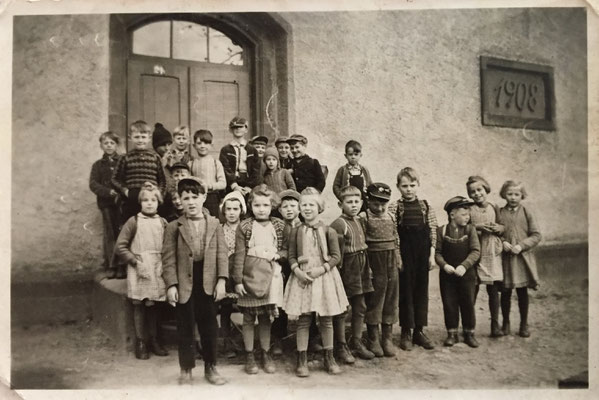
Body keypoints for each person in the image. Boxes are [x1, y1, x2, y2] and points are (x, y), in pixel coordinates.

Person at [162, 176, 228, 385]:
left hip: (207, 281)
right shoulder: (174, 226)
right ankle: (186, 368)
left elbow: (222, 254)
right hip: (184, 282)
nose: (190, 202)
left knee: (209, 326)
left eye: (194, 197)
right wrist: (171, 284)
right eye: (185, 197)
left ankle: (211, 367)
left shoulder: (215, 223)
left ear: (204, 197)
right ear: (179, 200)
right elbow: (168, 258)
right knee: (186, 326)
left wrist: (221, 280)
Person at [283, 187, 348, 377]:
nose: (307, 208)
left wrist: (322, 269)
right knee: (303, 319)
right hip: (303, 278)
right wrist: (297, 271)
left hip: (323, 277)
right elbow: (292, 255)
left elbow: (336, 256)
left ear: (319, 208)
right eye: (304, 205)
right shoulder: (296, 231)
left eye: (311, 205)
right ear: (299, 209)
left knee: (326, 319)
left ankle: (329, 357)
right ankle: (301, 359)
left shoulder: (328, 230)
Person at [232, 184, 287, 375]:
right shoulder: (245, 226)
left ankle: (265, 353)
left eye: (265, 205)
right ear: (251, 206)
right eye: (257, 205)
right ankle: (249, 355)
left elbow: (287, 249)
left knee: (265, 317)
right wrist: (238, 280)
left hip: (271, 275)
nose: (261, 209)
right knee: (248, 317)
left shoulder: (279, 225)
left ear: (272, 205)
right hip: (250, 275)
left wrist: (278, 255)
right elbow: (239, 254)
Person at [114, 183, 169, 359]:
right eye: (145, 200)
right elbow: (120, 247)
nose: (149, 203)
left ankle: (154, 340)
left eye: (153, 200)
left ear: (159, 202)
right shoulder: (134, 221)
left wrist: (164, 263)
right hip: (138, 266)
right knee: (139, 304)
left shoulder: (162, 222)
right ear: (140, 202)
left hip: (156, 267)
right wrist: (135, 262)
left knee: (153, 304)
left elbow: (168, 247)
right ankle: (140, 341)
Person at [388, 167, 437, 351]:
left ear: (418, 185)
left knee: (421, 292)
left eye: (412, 185)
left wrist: (431, 256)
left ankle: (419, 331)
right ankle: (406, 332)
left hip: (423, 254)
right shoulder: (395, 207)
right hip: (405, 255)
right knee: (406, 292)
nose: (409, 189)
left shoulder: (426, 205)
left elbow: (432, 230)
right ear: (398, 187)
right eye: (404, 186)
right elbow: (394, 234)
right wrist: (398, 256)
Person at [330, 186, 374, 361]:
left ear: (362, 203)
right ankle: (340, 345)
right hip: (347, 267)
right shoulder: (339, 224)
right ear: (341, 204)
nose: (353, 205)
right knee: (343, 307)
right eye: (349, 202)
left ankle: (357, 342)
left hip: (362, 265)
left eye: (357, 202)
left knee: (361, 305)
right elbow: (335, 251)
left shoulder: (359, 221)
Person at [435, 196, 481, 348]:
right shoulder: (442, 231)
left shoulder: (470, 230)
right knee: (449, 303)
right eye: (464, 214)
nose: (467, 218)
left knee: (468, 303)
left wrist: (464, 266)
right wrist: (444, 265)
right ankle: (452, 333)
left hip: (467, 275)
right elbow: (438, 253)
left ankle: (469, 333)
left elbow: (475, 251)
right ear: (452, 215)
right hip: (448, 276)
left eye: (468, 215)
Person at [499, 180, 541, 338]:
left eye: (517, 194)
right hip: (506, 260)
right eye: (510, 194)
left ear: (522, 195)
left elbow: (536, 235)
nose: (513, 197)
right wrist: (502, 242)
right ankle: (506, 323)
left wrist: (522, 245)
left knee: (522, 292)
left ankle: (524, 324)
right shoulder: (500, 212)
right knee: (505, 292)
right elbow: (497, 233)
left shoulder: (527, 212)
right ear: (504, 195)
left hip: (522, 260)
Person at [362, 183, 401, 357]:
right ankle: (373, 338)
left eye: (383, 203)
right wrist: (367, 267)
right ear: (368, 200)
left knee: (391, 298)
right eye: (376, 203)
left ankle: (387, 338)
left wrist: (398, 258)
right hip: (374, 259)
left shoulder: (391, 216)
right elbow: (362, 245)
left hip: (391, 258)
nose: (380, 207)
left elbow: (396, 239)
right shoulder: (364, 217)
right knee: (375, 299)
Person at [466, 175, 505, 337]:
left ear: (486, 189)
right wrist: (479, 226)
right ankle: (469, 327)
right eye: (473, 191)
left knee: (493, 290)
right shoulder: (468, 209)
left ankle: (495, 325)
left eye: (479, 189)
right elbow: (465, 226)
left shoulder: (494, 207)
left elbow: (503, 227)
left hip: (491, 252)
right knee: (472, 290)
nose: (477, 194)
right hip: (475, 251)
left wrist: (498, 228)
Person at [112, 120, 167, 223]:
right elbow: (115, 179)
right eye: (137, 137)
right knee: (132, 226)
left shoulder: (155, 157)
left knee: (150, 225)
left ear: (149, 138)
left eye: (143, 137)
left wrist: (159, 194)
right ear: (130, 138)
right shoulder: (125, 157)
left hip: (151, 198)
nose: (140, 140)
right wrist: (125, 191)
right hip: (132, 198)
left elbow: (163, 180)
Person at [271, 189, 301, 356]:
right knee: (280, 301)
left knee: (305, 301)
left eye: (293, 206)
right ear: (280, 210)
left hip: (301, 267)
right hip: (284, 268)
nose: (289, 209)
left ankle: (311, 337)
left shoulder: (304, 225)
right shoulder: (277, 227)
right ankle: (278, 338)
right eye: (285, 206)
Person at [89, 131, 122, 278]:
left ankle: (122, 266)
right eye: (106, 143)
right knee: (110, 235)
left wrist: (121, 192)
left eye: (112, 143)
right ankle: (111, 265)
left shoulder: (122, 161)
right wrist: (108, 192)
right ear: (101, 146)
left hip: (121, 204)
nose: (109, 146)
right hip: (106, 205)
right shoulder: (98, 165)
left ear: (116, 145)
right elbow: (93, 184)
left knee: (122, 234)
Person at [219, 191, 246, 359]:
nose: (231, 212)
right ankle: (227, 342)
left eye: (235, 209)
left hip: (241, 272)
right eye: (228, 209)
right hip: (225, 272)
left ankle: (245, 341)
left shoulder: (245, 228)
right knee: (225, 308)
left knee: (246, 307)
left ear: (241, 210)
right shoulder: (219, 229)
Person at [189, 129, 227, 217]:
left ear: (211, 145)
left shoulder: (216, 163)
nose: (202, 146)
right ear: (194, 145)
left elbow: (223, 183)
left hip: (212, 197)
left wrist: (210, 186)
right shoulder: (191, 164)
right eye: (199, 143)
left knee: (212, 220)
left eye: (206, 143)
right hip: (196, 196)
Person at [219, 116, 261, 195]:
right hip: (232, 184)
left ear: (246, 129)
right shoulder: (225, 150)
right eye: (235, 127)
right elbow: (226, 168)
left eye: (241, 127)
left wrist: (249, 187)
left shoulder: (252, 150)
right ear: (231, 130)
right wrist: (234, 186)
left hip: (249, 185)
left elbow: (256, 170)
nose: (238, 129)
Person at [332, 140, 373, 212]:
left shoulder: (364, 170)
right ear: (346, 156)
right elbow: (336, 186)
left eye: (356, 154)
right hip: (349, 202)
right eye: (350, 154)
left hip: (362, 201)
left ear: (360, 155)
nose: (353, 157)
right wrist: (342, 198)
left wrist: (369, 198)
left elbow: (370, 184)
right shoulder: (343, 170)